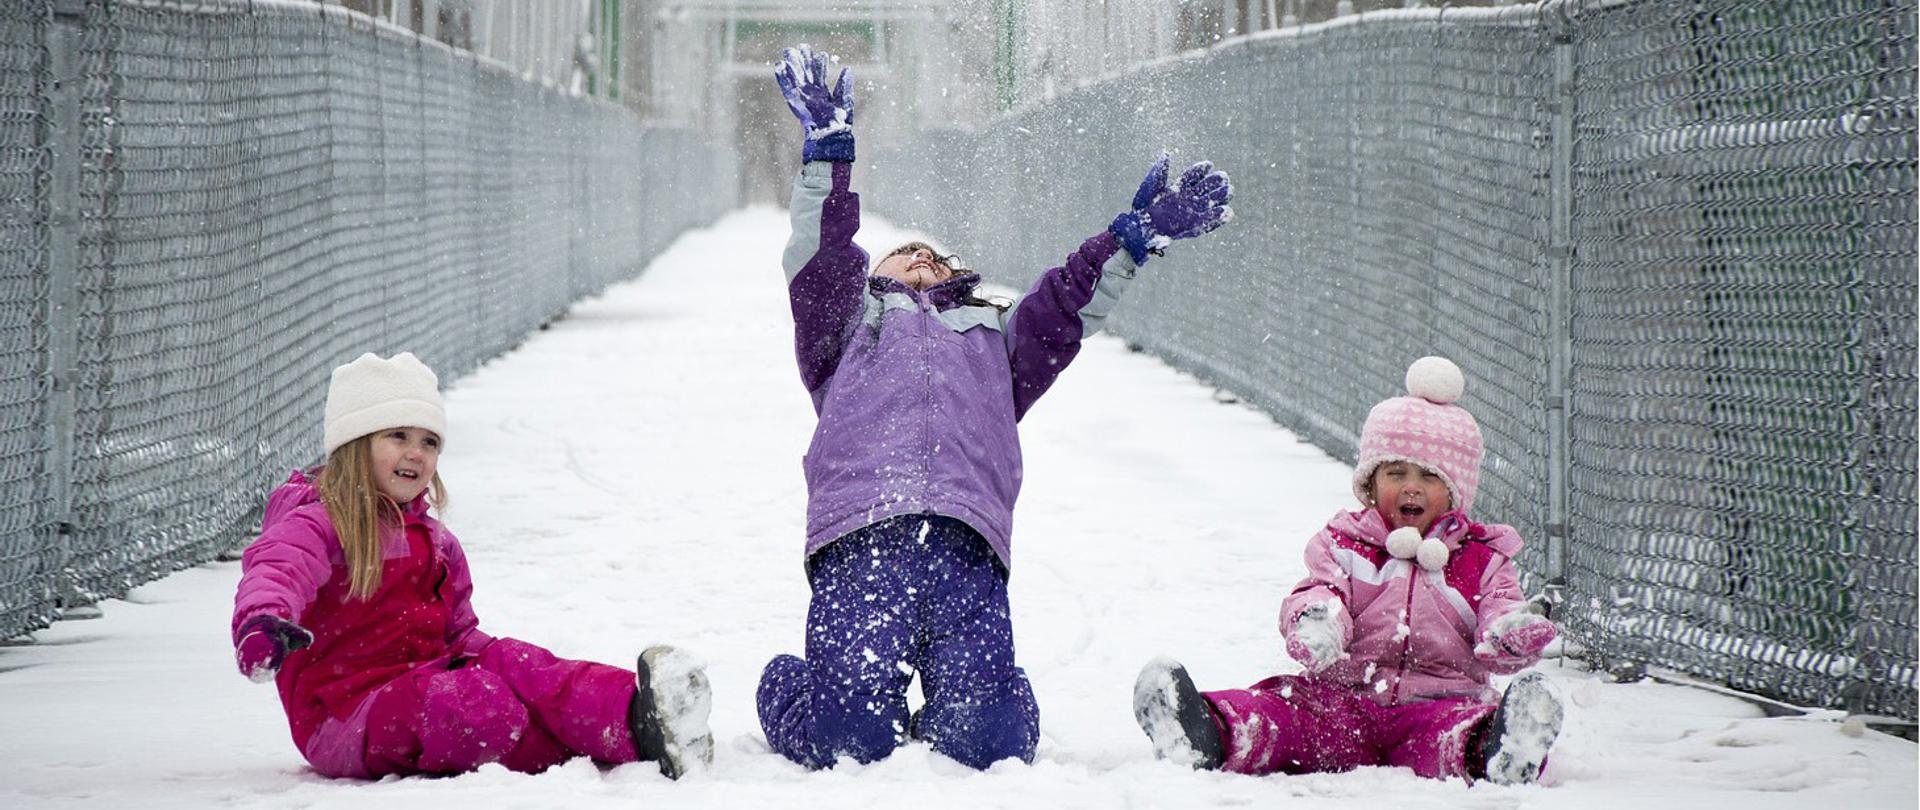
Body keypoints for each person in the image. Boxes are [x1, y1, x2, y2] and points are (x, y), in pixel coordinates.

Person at [756, 44, 1233, 771]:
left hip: (966, 545)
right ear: (871, 277)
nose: (923, 262)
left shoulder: (994, 341)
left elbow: (1066, 306)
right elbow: (821, 252)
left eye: (938, 260)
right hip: (862, 541)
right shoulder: (843, 330)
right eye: (904, 255)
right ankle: (793, 688)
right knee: (847, 740)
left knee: (989, 744)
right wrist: (828, 155)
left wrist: (1127, 243)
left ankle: (984, 701)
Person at [229, 352, 714, 780]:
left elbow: (457, 634)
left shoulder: (437, 542)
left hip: (426, 678)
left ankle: (637, 716)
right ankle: (589, 743)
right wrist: (262, 626)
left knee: (524, 667)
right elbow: (276, 569)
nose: (416, 453)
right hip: (346, 715)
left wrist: (510, 666)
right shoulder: (317, 523)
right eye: (398, 436)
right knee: (476, 704)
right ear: (355, 444)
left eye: (429, 442)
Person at [1133, 356, 1565, 785]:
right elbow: (1321, 590)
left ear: (1455, 493)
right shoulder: (1345, 543)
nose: (1411, 486)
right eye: (1396, 472)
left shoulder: (1482, 559)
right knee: (1284, 713)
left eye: (1430, 477)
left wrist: (1510, 633)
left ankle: (1500, 748)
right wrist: (1317, 622)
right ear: (1371, 484)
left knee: (1452, 735)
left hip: (1438, 702)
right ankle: (1206, 730)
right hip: (1341, 701)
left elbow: (1499, 610)